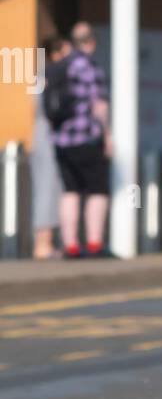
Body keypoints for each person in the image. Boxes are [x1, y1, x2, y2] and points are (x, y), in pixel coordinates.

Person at [51, 22, 112, 259]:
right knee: (97, 190)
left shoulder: (59, 68)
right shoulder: (89, 67)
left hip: (61, 140)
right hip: (85, 138)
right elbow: (99, 105)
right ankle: (95, 243)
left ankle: (71, 245)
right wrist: (107, 134)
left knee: (70, 191)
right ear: (91, 42)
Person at [31, 36, 71, 260]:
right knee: (48, 187)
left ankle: (46, 242)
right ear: (56, 54)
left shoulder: (41, 76)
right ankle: (43, 243)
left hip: (44, 133)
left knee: (51, 187)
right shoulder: (48, 77)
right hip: (49, 135)